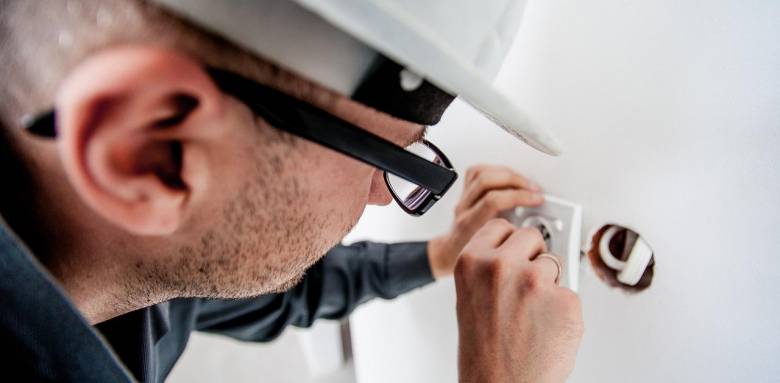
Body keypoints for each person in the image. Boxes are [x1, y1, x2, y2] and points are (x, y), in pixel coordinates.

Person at [0, 1, 583, 382]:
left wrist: (440, 254)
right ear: (149, 151)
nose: (383, 196)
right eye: (388, 159)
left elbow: (277, 290)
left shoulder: (134, 258)